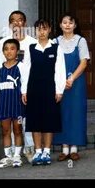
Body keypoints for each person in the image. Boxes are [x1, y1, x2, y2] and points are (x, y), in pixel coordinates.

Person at [22, 19, 66, 165]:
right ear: (35, 31)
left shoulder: (56, 48)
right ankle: (38, 151)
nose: (41, 32)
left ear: (49, 30)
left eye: (44, 29)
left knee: (48, 120)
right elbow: (26, 70)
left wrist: (59, 90)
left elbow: (60, 70)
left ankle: (46, 151)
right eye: (39, 29)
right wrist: (24, 91)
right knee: (35, 120)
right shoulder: (30, 48)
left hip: (50, 89)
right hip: (33, 89)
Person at [0, 10, 37, 163]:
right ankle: (12, 154)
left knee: (25, 122)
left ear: (24, 23)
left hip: (27, 88)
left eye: (20, 20)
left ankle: (29, 150)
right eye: (13, 20)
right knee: (11, 124)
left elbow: (35, 66)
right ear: (9, 24)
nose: (16, 23)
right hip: (9, 91)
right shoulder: (4, 42)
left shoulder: (32, 42)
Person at [52, 14, 90, 161]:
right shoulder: (55, 42)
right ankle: (64, 148)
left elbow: (84, 62)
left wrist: (72, 78)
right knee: (62, 113)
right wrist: (60, 81)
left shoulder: (81, 40)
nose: (67, 25)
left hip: (76, 83)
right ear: (60, 25)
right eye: (64, 22)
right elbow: (53, 62)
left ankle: (74, 149)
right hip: (59, 83)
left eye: (70, 22)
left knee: (76, 112)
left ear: (75, 25)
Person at [0, 39, 28, 168]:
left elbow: (25, 86)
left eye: (12, 48)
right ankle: (8, 156)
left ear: (17, 51)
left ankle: (17, 156)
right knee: (5, 130)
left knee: (17, 130)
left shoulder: (21, 66)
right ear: (3, 52)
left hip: (17, 104)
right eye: (6, 49)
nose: (9, 51)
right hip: (4, 104)